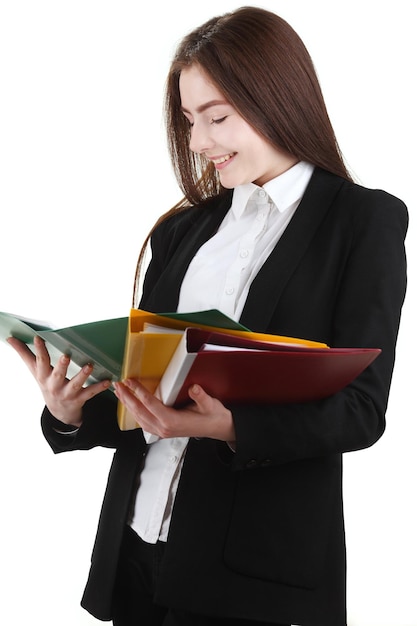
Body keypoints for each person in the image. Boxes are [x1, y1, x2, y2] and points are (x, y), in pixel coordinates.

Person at [8, 6, 408, 626]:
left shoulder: (362, 222)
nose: (197, 142)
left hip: (256, 579)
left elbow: (361, 410)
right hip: (137, 553)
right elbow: (145, 397)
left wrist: (228, 427)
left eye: (217, 117)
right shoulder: (184, 231)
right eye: (190, 119)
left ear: (278, 99)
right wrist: (68, 414)